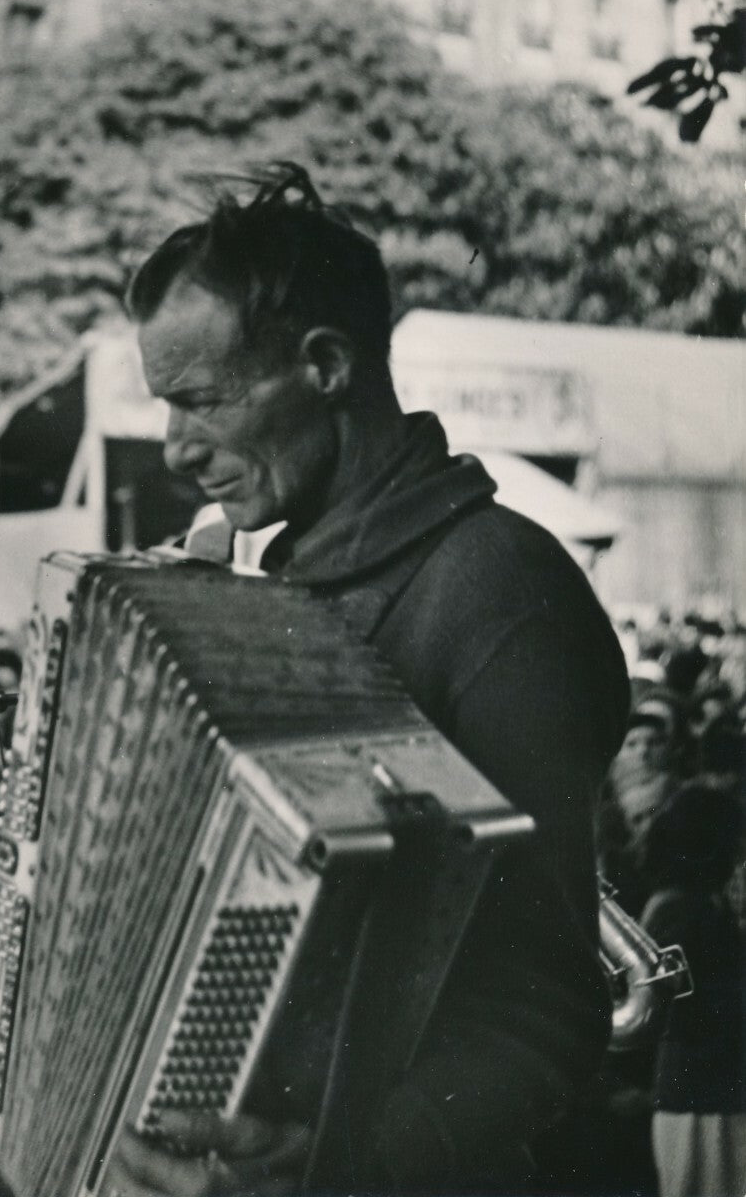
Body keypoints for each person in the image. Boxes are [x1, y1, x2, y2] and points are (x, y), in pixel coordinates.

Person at [108, 164, 628, 1197]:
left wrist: (344, 1171)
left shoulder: (493, 586)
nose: (174, 448)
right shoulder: (271, 578)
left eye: (201, 400)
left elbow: (550, 1006)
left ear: (327, 364)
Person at [641, 784, 746, 1197]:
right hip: (705, 1098)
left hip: (700, 1092)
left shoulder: (682, 905)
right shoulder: (689, 913)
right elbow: (698, 1011)